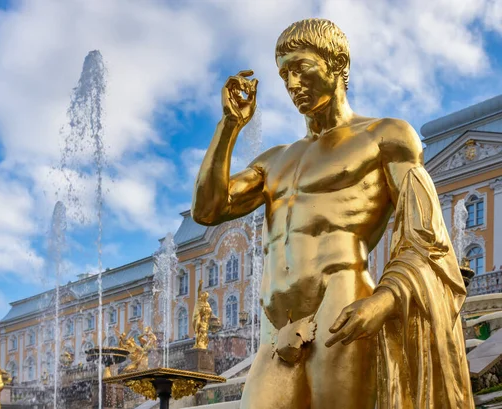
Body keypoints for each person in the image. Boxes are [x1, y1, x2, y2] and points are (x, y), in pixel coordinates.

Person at [192, 18, 473, 409]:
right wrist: (229, 126)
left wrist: (384, 299)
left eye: (300, 68)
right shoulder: (274, 161)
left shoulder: (385, 137)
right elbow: (207, 210)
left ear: (337, 62)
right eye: (283, 74)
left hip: (340, 304)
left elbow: (427, 239)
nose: (291, 85)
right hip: (276, 325)